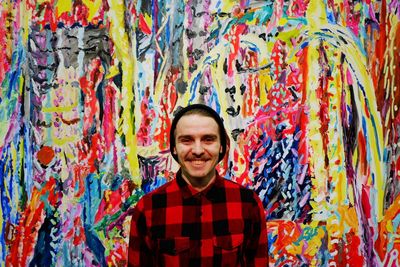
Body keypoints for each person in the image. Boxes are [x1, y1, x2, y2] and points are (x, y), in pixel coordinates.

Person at [128, 104, 268, 266]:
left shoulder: (248, 204)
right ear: (174, 148)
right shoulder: (148, 209)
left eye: (208, 139)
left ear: (222, 146)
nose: (198, 150)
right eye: (186, 140)